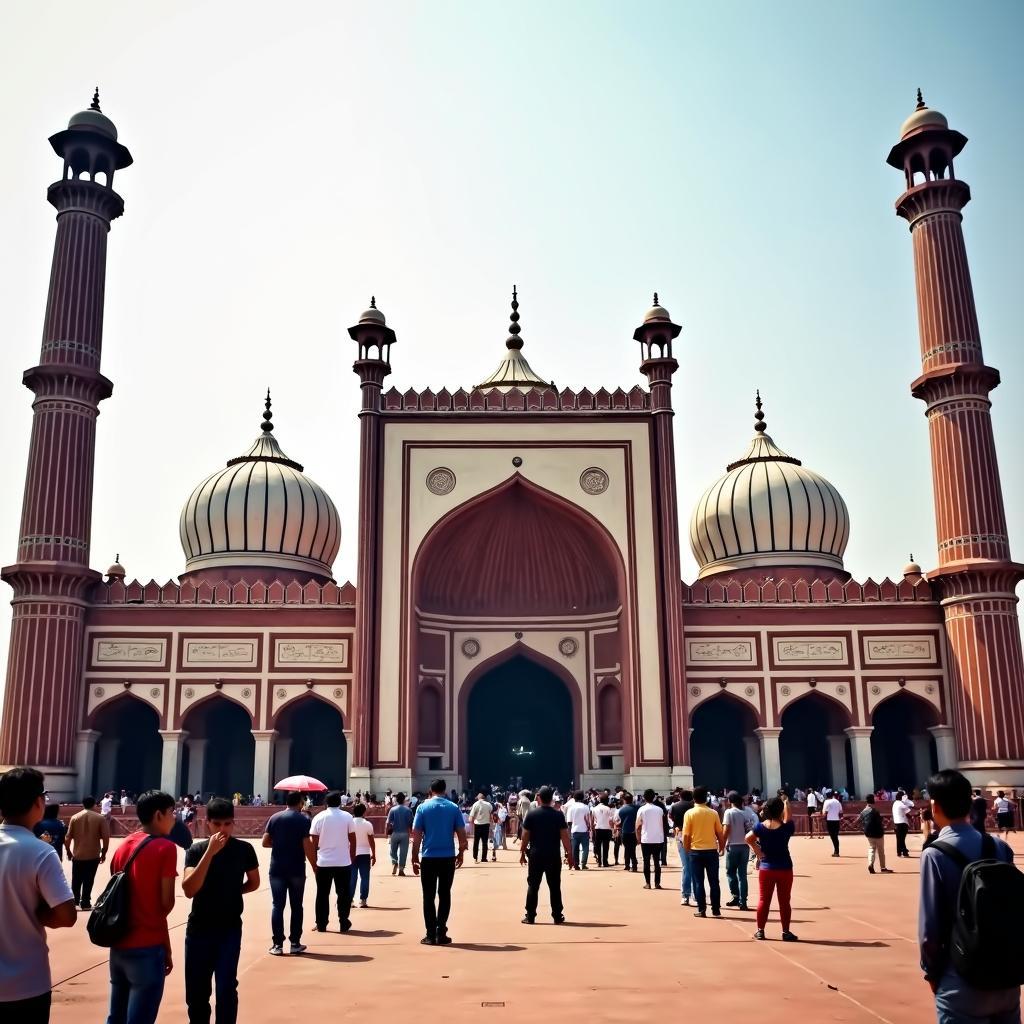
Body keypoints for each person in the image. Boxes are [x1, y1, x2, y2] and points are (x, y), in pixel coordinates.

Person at [919, 769, 1020, 1022]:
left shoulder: (935, 854)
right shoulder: (999, 846)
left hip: (961, 978)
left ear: (935, 806)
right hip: (1006, 976)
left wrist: (932, 973)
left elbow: (929, 929)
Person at [0, 767, 76, 1022]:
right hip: (26, 984)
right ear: (38, 802)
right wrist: (34, 910)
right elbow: (66, 916)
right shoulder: (39, 852)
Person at [182, 797, 259, 1024]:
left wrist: (233, 892)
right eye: (217, 825)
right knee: (197, 991)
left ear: (233, 823)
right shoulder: (197, 851)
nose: (222, 830)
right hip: (199, 928)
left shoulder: (244, 849)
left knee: (226, 987)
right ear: (208, 823)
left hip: (229, 927)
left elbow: (254, 882)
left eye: (227, 824)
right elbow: (189, 889)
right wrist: (210, 853)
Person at [107, 790, 179, 1024]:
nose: (174, 818)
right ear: (159, 815)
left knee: (116, 1016)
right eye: (171, 812)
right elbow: (165, 904)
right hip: (147, 945)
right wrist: (164, 946)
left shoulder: (123, 845)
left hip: (119, 944)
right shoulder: (165, 848)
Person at [411, 779, 467, 945]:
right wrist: (461, 853)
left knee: (428, 896)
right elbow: (462, 835)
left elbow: (417, 835)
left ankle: (430, 934)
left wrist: (414, 857)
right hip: (447, 857)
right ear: (445, 790)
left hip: (428, 857)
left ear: (430, 789)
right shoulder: (453, 808)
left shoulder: (422, 807)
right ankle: (441, 932)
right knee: (444, 894)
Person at [263, 791, 318, 955]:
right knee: (296, 906)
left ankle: (277, 945)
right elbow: (307, 845)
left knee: (277, 906)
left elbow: (265, 842)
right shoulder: (303, 819)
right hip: (296, 869)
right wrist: (314, 866)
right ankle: (295, 943)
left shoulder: (275, 818)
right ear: (300, 803)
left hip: (277, 869)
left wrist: (280, 843)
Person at [746, 794, 798, 942]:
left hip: (766, 867)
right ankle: (786, 931)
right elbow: (788, 817)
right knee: (784, 901)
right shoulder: (787, 827)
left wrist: (758, 851)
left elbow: (747, 838)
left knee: (764, 900)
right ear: (780, 810)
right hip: (785, 867)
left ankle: (760, 930)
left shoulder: (760, 827)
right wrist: (786, 803)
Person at [520, 785, 573, 924]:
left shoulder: (531, 814)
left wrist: (521, 852)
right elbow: (564, 836)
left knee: (533, 885)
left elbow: (525, 835)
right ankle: (557, 915)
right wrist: (569, 853)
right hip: (553, 855)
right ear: (551, 799)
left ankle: (530, 915)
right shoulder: (558, 815)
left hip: (536, 854)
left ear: (538, 798)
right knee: (555, 885)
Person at [308, 791, 356, 935]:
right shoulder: (347, 817)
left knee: (322, 894)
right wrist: (352, 857)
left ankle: (321, 924)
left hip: (323, 862)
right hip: (343, 862)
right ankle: (343, 922)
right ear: (340, 803)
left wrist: (314, 861)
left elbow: (313, 842)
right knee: (343, 894)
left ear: (326, 803)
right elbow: (353, 839)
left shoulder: (319, 817)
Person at [682, 785, 725, 917]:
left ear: (693, 799)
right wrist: (721, 847)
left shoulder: (689, 813)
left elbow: (686, 835)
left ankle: (702, 909)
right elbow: (719, 833)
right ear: (706, 798)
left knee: (698, 881)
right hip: (711, 850)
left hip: (696, 851)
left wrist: (687, 849)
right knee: (714, 881)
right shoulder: (713, 813)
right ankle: (716, 909)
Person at [65, 795, 110, 910]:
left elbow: (68, 837)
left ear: (83, 804)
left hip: (78, 854)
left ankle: (75, 900)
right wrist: (103, 853)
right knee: (89, 879)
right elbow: (105, 838)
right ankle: (85, 902)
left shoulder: (75, 817)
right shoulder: (100, 818)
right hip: (93, 854)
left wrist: (68, 851)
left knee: (76, 879)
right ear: (94, 804)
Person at [722, 791, 752, 911]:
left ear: (730, 801)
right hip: (745, 846)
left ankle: (735, 895)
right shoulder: (746, 812)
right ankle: (743, 901)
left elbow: (726, 829)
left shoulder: (729, 812)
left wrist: (722, 845)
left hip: (733, 846)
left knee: (730, 872)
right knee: (742, 875)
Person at [636, 789, 666, 889]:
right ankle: (657, 883)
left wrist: (638, 837)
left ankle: (648, 883)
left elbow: (638, 826)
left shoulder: (641, 809)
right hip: (658, 838)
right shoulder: (659, 809)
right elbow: (663, 824)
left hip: (646, 839)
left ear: (644, 798)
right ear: (654, 797)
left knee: (646, 861)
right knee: (657, 862)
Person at [670, 789, 694, 905]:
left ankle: (685, 895)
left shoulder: (675, 806)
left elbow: (671, 818)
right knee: (696, 867)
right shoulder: (694, 806)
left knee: (686, 866)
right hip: (695, 836)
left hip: (680, 834)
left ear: (680, 796)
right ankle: (697, 893)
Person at [349, 803, 375, 908]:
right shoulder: (367, 824)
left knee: (352, 878)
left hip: (351, 853)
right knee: (365, 877)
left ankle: (350, 900)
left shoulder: (350, 823)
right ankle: (363, 900)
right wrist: (374, 853)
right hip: (364, 853)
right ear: (364, 812)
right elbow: (371, 840)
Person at [858, 794, 892, 874]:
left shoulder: (863, 811)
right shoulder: (875, 811)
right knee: (880, 851)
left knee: (871, 848)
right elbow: (879, 822)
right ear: (873, 800)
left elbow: (860, 820)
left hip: (868, 833)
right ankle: (883, 867)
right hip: (878, 833)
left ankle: (870, 864)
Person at [386, 792, 414, 875]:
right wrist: (412, 833)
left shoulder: (393, 809)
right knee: (403, 852)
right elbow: (411, 823)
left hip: (395, 833)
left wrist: (386, 833)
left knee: (393, 851)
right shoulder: (408, 810)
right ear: (404, 800)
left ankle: (394, 863)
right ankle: (401, 869)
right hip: (405, 834)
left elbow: (388, 823)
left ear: (396, 800)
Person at [565, 791, 592, 870]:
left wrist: (569, 833)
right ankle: (583, 864)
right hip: (584, 830)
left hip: (575, 830)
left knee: (575, 848)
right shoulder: (586, 807)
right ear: (582, 798)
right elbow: (588, 819)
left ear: (574, 798)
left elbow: (569, 822)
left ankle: (576, 864)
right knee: (585, 848)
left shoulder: (571, 807)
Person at [615, 793, 638, 873]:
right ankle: (629, 864)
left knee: (627, 848)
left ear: (624, 800)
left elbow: (618, 822)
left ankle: (631, 864)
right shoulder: (637, 808)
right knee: (632, 849)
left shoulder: (621, 810)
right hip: (635, 832)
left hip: (625, 832)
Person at [468, 792, 492, 863]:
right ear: (484, 798)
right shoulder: (489, 805)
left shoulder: (475, 804)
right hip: (486, 825)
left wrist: (471, 823)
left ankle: (475, 857)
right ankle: (484, 858)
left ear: (478, 798)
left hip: (477, 825)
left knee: (476, 842)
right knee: (485, 842)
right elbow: (491, 814)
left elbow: (471, 817)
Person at [591, 795, 615, 867]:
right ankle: (605, 862)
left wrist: (592, 829)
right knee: (605, 846)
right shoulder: (608, 809)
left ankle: (599, 862)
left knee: (598, 845)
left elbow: (592, 820)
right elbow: (611, 820)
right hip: (606, 829)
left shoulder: (594, 809)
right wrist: (613, 829)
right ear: (606, 801)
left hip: (597, 829)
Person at [892, 789, 914, 858]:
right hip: (902, 824)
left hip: (896, 823)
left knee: (899, 838)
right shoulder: (901, 804)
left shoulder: (895, 803)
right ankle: (904, 852)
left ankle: (899, 852)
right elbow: (907, 812)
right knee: (901, 839)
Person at [822, 791, 843, 857]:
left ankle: (836, 851)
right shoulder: (838, 802)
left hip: (830, 821)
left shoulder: (827, 802)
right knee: (835, 836)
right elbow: (841, 813)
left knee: (833, 837)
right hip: (836, 821)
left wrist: (823, 819)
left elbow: (825, 812)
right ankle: (836, 851)